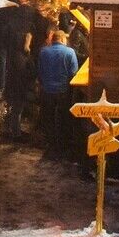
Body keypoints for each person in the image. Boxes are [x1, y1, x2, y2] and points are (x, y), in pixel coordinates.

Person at [36, 29, 78, 157]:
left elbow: (40, 70)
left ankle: (51, 144)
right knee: (62, 118)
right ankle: (62, 146)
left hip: (47, 90)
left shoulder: (43, 52)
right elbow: (73, 72)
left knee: (48, 118)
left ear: (53, 39)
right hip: (63, 91)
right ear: (63, 39)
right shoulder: (70, 52)